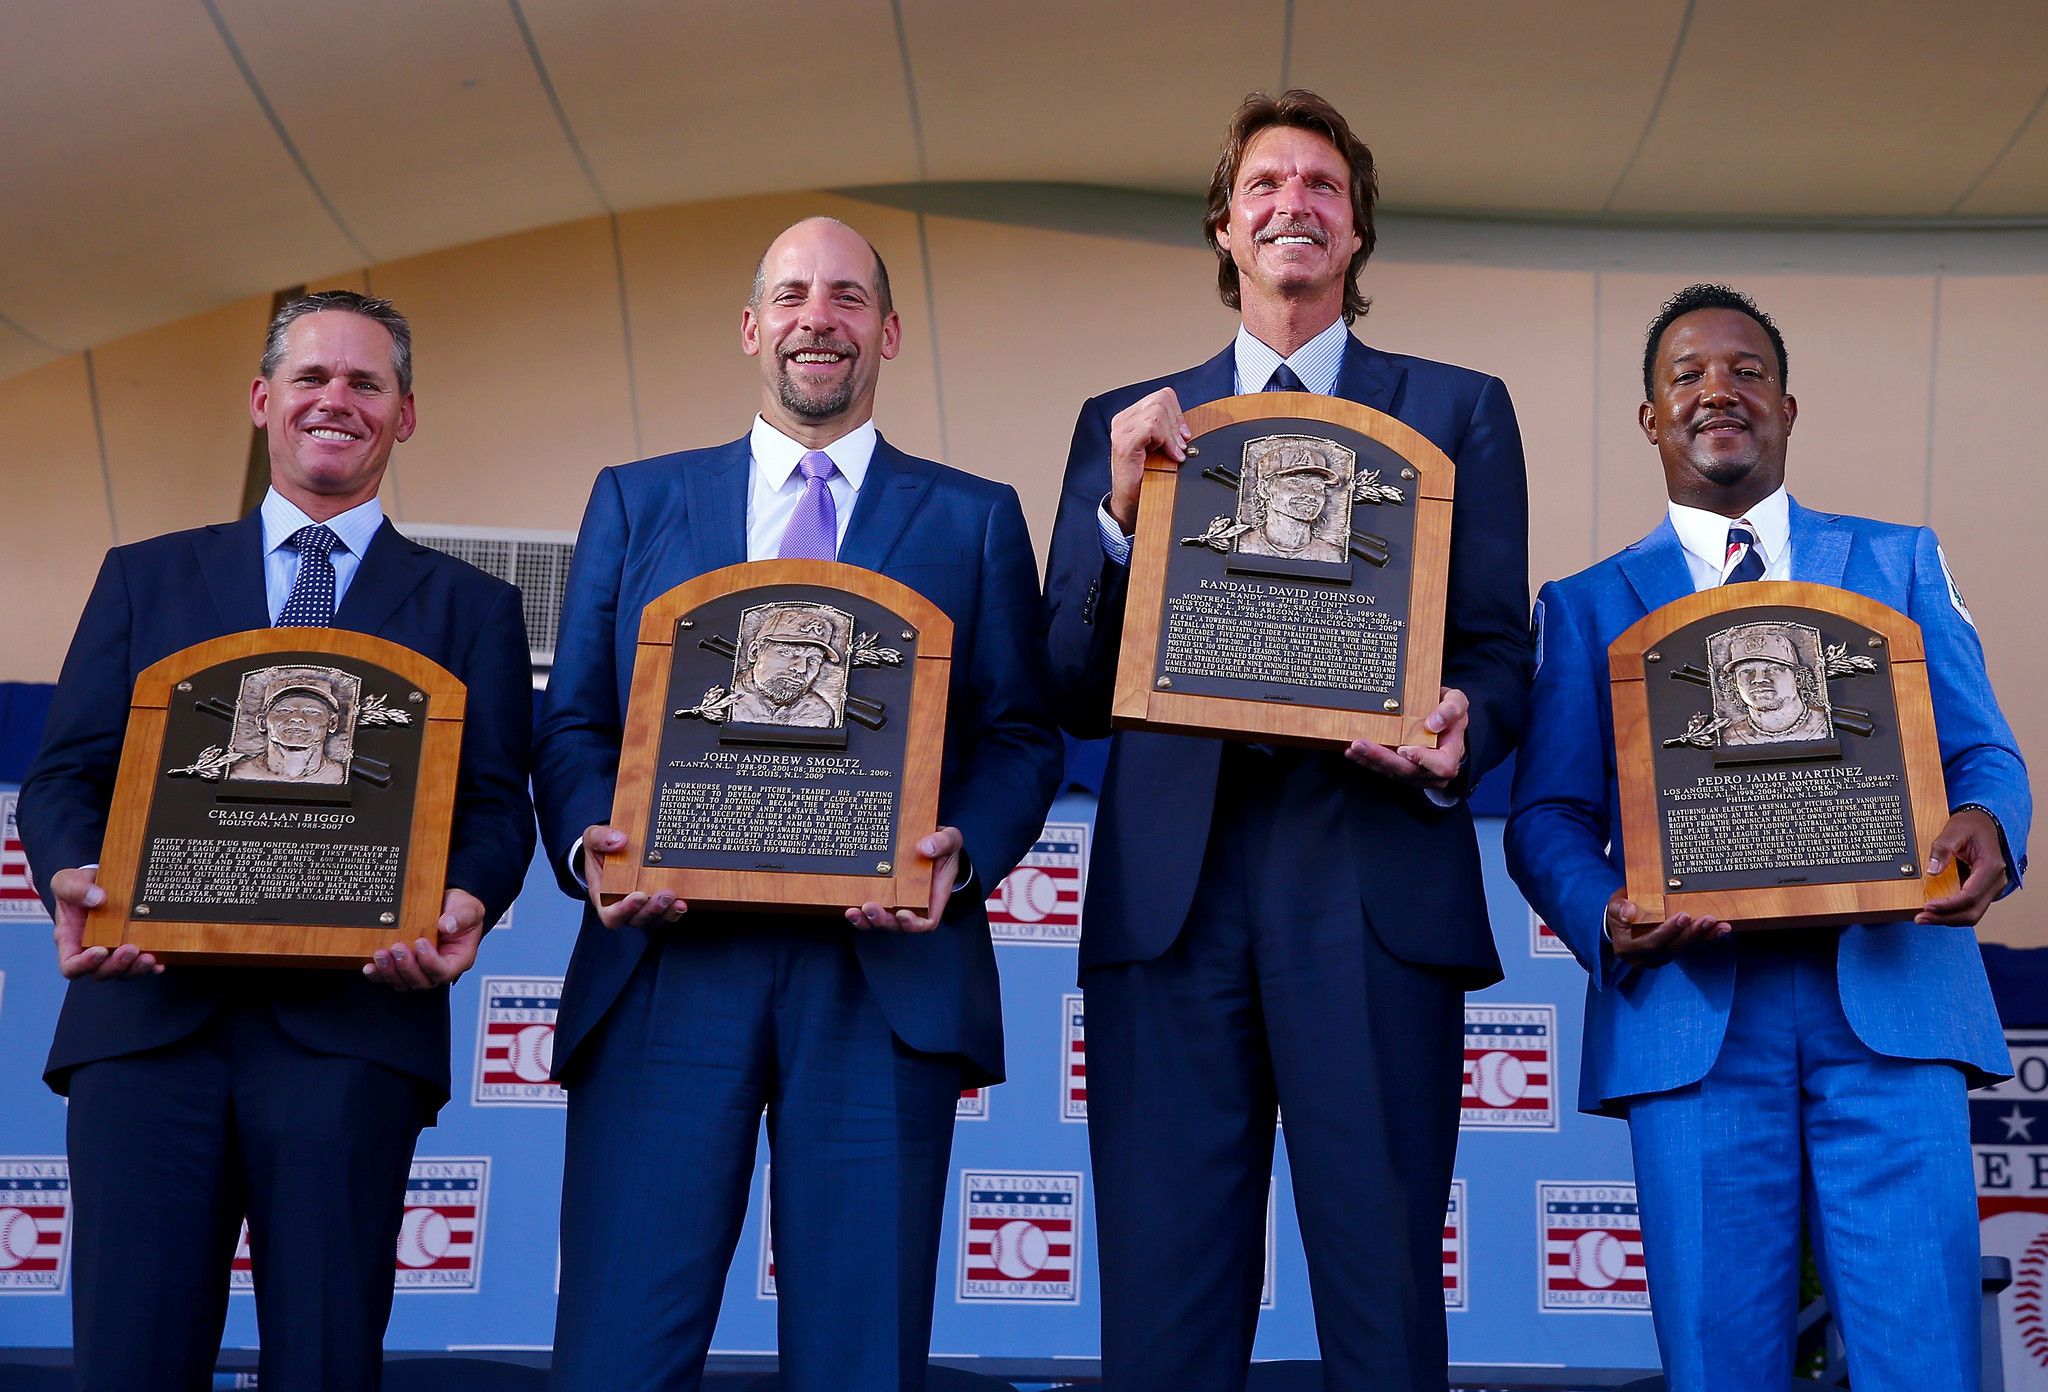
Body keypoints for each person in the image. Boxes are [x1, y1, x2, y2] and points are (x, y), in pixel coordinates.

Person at [1040, 90, 1530, 1391]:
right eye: (1266, 186)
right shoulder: (1129, 422)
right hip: (1172, 904)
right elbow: (1068, 681)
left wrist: (1463, 731)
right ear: (1225, 227)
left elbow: (1494, 651)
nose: (1293, 204)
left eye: (1322, 186)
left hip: (1370, 889)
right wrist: (1112, 509)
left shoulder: (1459, 410)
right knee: (1162, 1306)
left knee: (1380, 1307)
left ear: (1357, 233)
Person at [535, 216, 1061, 1392]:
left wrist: (955, 854)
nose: (814, 318)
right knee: (617, 1351)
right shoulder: (636, 501)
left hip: (876, 984)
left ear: (886, 329)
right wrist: (594, 851)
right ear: (749, 327)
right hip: (670, 966)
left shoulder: (972, 517)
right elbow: (572, 722)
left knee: (859, 1361)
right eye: (788, 295)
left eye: (842, 296)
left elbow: (1021, 734)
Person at [1506, 282, 2029, 1391]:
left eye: (1744, 371)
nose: (1716, 391)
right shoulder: (1585, 603)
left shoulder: (1898, 562)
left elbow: (1980, 752)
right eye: (1685, 375)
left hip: (1889, 1001)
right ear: (1649, 420)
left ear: (1788, 407)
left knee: (1924, 1358)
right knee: (1718, 1366)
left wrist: (1987, 824)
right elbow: (1547, 816)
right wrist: (1603, 910)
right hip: (1697, 1017)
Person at [17, 290, 536, 1392]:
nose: (333, 401)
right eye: (310, 378)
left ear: (404, 415)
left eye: (364, 382)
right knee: (127, 1363)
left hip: (350, 1032)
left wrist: (468, 902)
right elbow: (67, 774)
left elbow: (496, 807)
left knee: (324, 1361)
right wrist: (74, 869)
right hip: (147, 1016)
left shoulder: (471, 609)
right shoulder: (143, 575)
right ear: (263, 401)